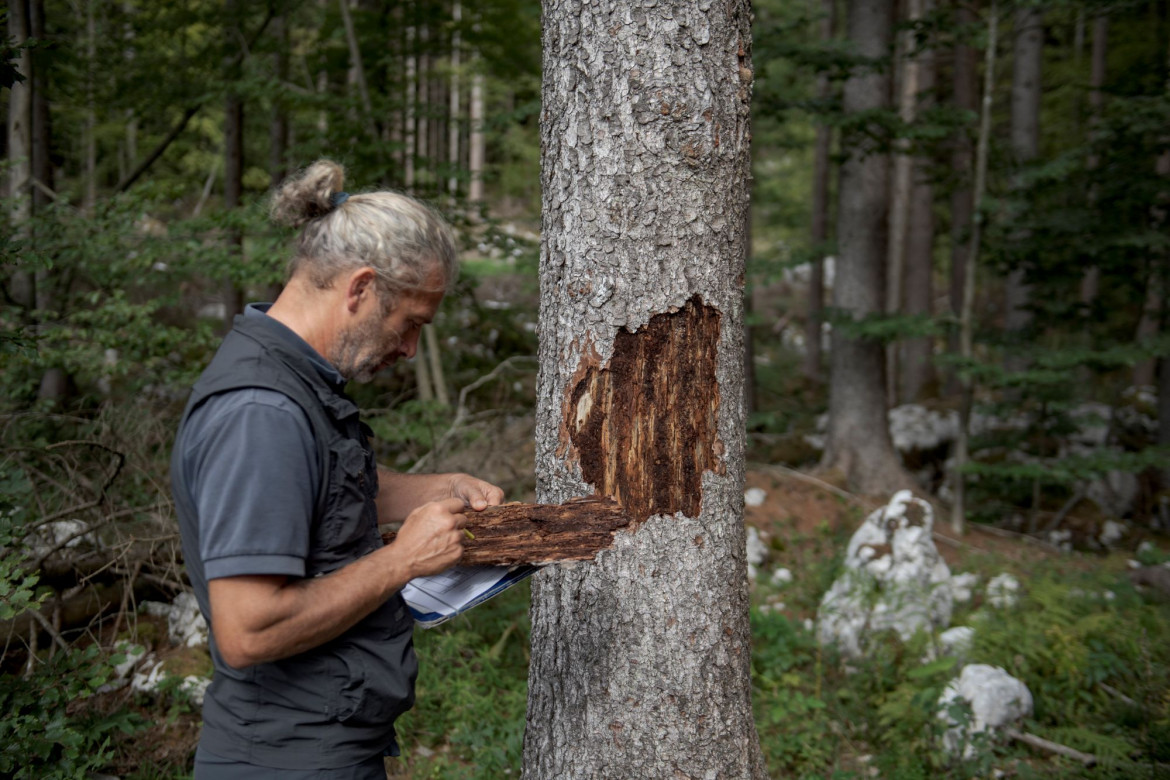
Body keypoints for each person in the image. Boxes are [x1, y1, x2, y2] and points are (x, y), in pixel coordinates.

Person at [170, 160, 503, 779]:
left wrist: (432, 490)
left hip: (322, 748)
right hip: (287, 760)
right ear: (360, 289)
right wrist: (405, 558)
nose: (408, 350)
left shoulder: (294, 384)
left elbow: (317, 494)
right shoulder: (261, 412)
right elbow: (250, 630)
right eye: (410, 325)